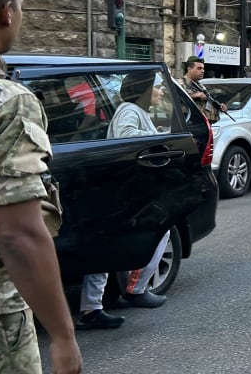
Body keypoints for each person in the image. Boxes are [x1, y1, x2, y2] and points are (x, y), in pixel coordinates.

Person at [0, 0, 83, 373]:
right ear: (6, 12)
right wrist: (62, 336)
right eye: (20, 2)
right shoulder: (2, 102)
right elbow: (18, 233)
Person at [80, 73, 169, 330]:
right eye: (157, 88)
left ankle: (96, 306)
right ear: (143, 89)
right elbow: (127, 136)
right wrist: (157, 138)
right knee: (131, 239)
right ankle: (131, 291)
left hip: (125, 188)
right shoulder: (129, 110)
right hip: (123, 189)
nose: (161, 92)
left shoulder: (132, 110)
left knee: (110, 245)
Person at [181, 56, 226, 122]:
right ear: (189, 69)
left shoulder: (200, 86)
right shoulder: (180, 83)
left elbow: (207, 103)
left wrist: (219, 106)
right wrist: (195, 95)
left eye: (203, 68)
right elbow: (174, 99)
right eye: (199, 68)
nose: (203, 71)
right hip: (189, 123)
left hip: (203, 125)